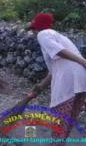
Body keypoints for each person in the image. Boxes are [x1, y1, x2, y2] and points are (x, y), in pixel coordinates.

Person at [27, 13, 86, 145]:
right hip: (81, 80)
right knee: (68, 119)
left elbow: (59, 51)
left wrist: (83, 61)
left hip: (68, 79)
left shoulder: (43, 34)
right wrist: (38, 89)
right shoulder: (58, 36)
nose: (33, 33)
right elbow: (53, 72)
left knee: (59, 120)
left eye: (33, 29)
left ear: (37, 28)